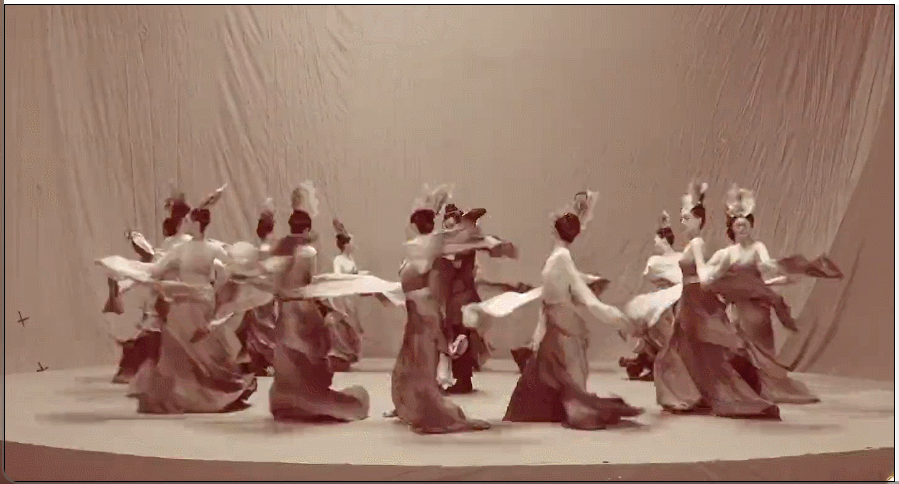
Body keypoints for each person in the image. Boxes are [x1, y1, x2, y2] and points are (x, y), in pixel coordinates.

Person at [501, 191, 643, 430]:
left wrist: (618, 319)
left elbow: (588, 300)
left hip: (563, 330)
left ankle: (585, 408)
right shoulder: (560, 258)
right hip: (557, 328)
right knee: (548, 383)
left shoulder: (561, 258)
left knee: (566, 391)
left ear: (555, 230)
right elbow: (564, 290)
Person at [702, 184, 841, 404]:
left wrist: (783, 273)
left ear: (751, 226)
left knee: (762, 349)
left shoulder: (758, 247)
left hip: (758, 310)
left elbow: (765, 266)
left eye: (745, 224)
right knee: (738, 346)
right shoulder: (725, 254)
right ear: (732, 229)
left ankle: (761, 386)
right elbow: (708, 277)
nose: (742, 228)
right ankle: (742, 386)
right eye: (738, 225)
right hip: (739, 309)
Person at [652, 181, 780, 419]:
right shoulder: (691, 244)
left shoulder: (697, 243)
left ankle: (706, 394)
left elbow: (702, 274)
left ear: (698, 220)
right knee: (686, 348)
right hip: (688, 298)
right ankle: (691, 395)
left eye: (686, 218)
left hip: (695, 300)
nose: (682, 221)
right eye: (682, 217)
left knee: (691, 348)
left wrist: (712, 279)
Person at [126, 184, 259, 414]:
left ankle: (208, 393)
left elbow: (231, 269)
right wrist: (132, 270)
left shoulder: (206, 248)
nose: (185, 222)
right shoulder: (186, 248)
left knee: (203, 351)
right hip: (185, 302)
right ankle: (185, 394)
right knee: (180, 350)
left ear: (197, 224)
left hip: (199, 303)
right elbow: (158, 269)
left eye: (189, 220)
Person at [389, 184, 493, 434]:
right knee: (410, 361)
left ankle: (422, 405)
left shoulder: (427, 250)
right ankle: (410, 403)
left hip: (423, 313)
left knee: (418, 361)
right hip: (418, 313)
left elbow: (435, 287)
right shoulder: (424, 249)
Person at [264, 182, 370, 422]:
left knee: (289, 351)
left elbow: (276, 282)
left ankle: (287, 396)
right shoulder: (308, 253)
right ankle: (304, 395)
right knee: (306, 350)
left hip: (285, 309)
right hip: (302, 307)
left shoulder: (280, 249)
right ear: (307, 228)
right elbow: (308, 282)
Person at [434, 203, 523, 394]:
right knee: (457, 336)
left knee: (460, 337)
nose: (449, 229)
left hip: (461, 298)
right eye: (447, 225)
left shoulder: (461, 247)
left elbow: (457, 262)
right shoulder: (457, 244)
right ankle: (458, 378)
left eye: (452, 225)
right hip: (457, 297)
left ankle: (463, 380)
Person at [618, 211, 681, 381]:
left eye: (656, 241)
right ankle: (646, 360)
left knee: (646, 318)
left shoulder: (655, 261)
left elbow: (646, 279)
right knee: (651, 321)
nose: (654, 244)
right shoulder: (681, 256)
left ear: (663, 240)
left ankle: (651, 361)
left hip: (673, 297)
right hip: (678, 297)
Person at [232, 198, 279, 377]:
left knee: (258, 326)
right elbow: (265, 272)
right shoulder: (267, 248)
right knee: (263, 327)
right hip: (263, 291)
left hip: (260, 291)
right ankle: (262, 361)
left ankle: (257, 360)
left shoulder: (261, 248)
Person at [323, 217, 366, 372]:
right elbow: (338, 276)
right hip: (342, 296)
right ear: (346, 245)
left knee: (354, 328)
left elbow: (354, 274)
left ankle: (349, 355)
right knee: (343, 325)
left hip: (351, 298)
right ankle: (341, 355)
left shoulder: (350, 259)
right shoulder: (338, 260)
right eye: (351, 242)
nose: (353, 245)